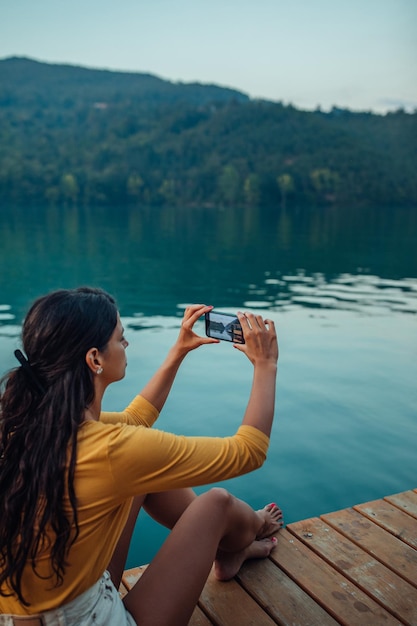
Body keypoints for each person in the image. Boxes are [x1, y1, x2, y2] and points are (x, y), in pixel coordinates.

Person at [0, 287, 282, 626]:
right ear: (95, 359)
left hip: (43, 607)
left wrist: (178, 352)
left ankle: (234, 548)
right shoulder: (108, 449)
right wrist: (266, 365)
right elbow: (249, 452)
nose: (127, 345)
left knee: (140, 480)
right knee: (216, 504)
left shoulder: (28, 424)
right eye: (121, 339)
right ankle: (252, 529)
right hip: (81, 618)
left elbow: (135, 421)